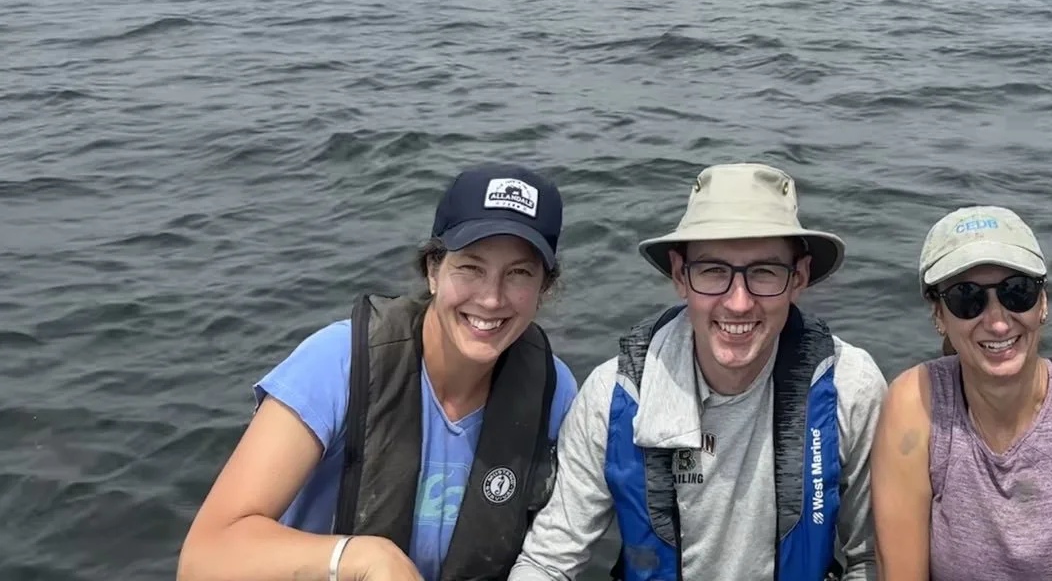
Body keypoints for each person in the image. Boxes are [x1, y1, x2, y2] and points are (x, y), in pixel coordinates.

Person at [178, 164, 579, 581]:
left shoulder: (555, 391)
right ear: (433, 271)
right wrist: (357, 559)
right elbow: (203, 559)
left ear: (544, 289)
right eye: (470, 267)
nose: (492, 298)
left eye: (519, 273)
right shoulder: (336, 363)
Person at [508, 162, 888, 581]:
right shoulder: (614, 395)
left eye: (764, 272)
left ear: (798, 278)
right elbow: (549, 562)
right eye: (713, 271)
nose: (739, 302)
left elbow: (871, 560)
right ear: (679, 274)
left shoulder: (849, 387)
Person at [870, 206, 1052, 581]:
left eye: (1017, 292)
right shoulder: (914, 404)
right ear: (939, 315)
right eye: (966, 298)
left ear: (1043, 302)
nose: (996, 321)